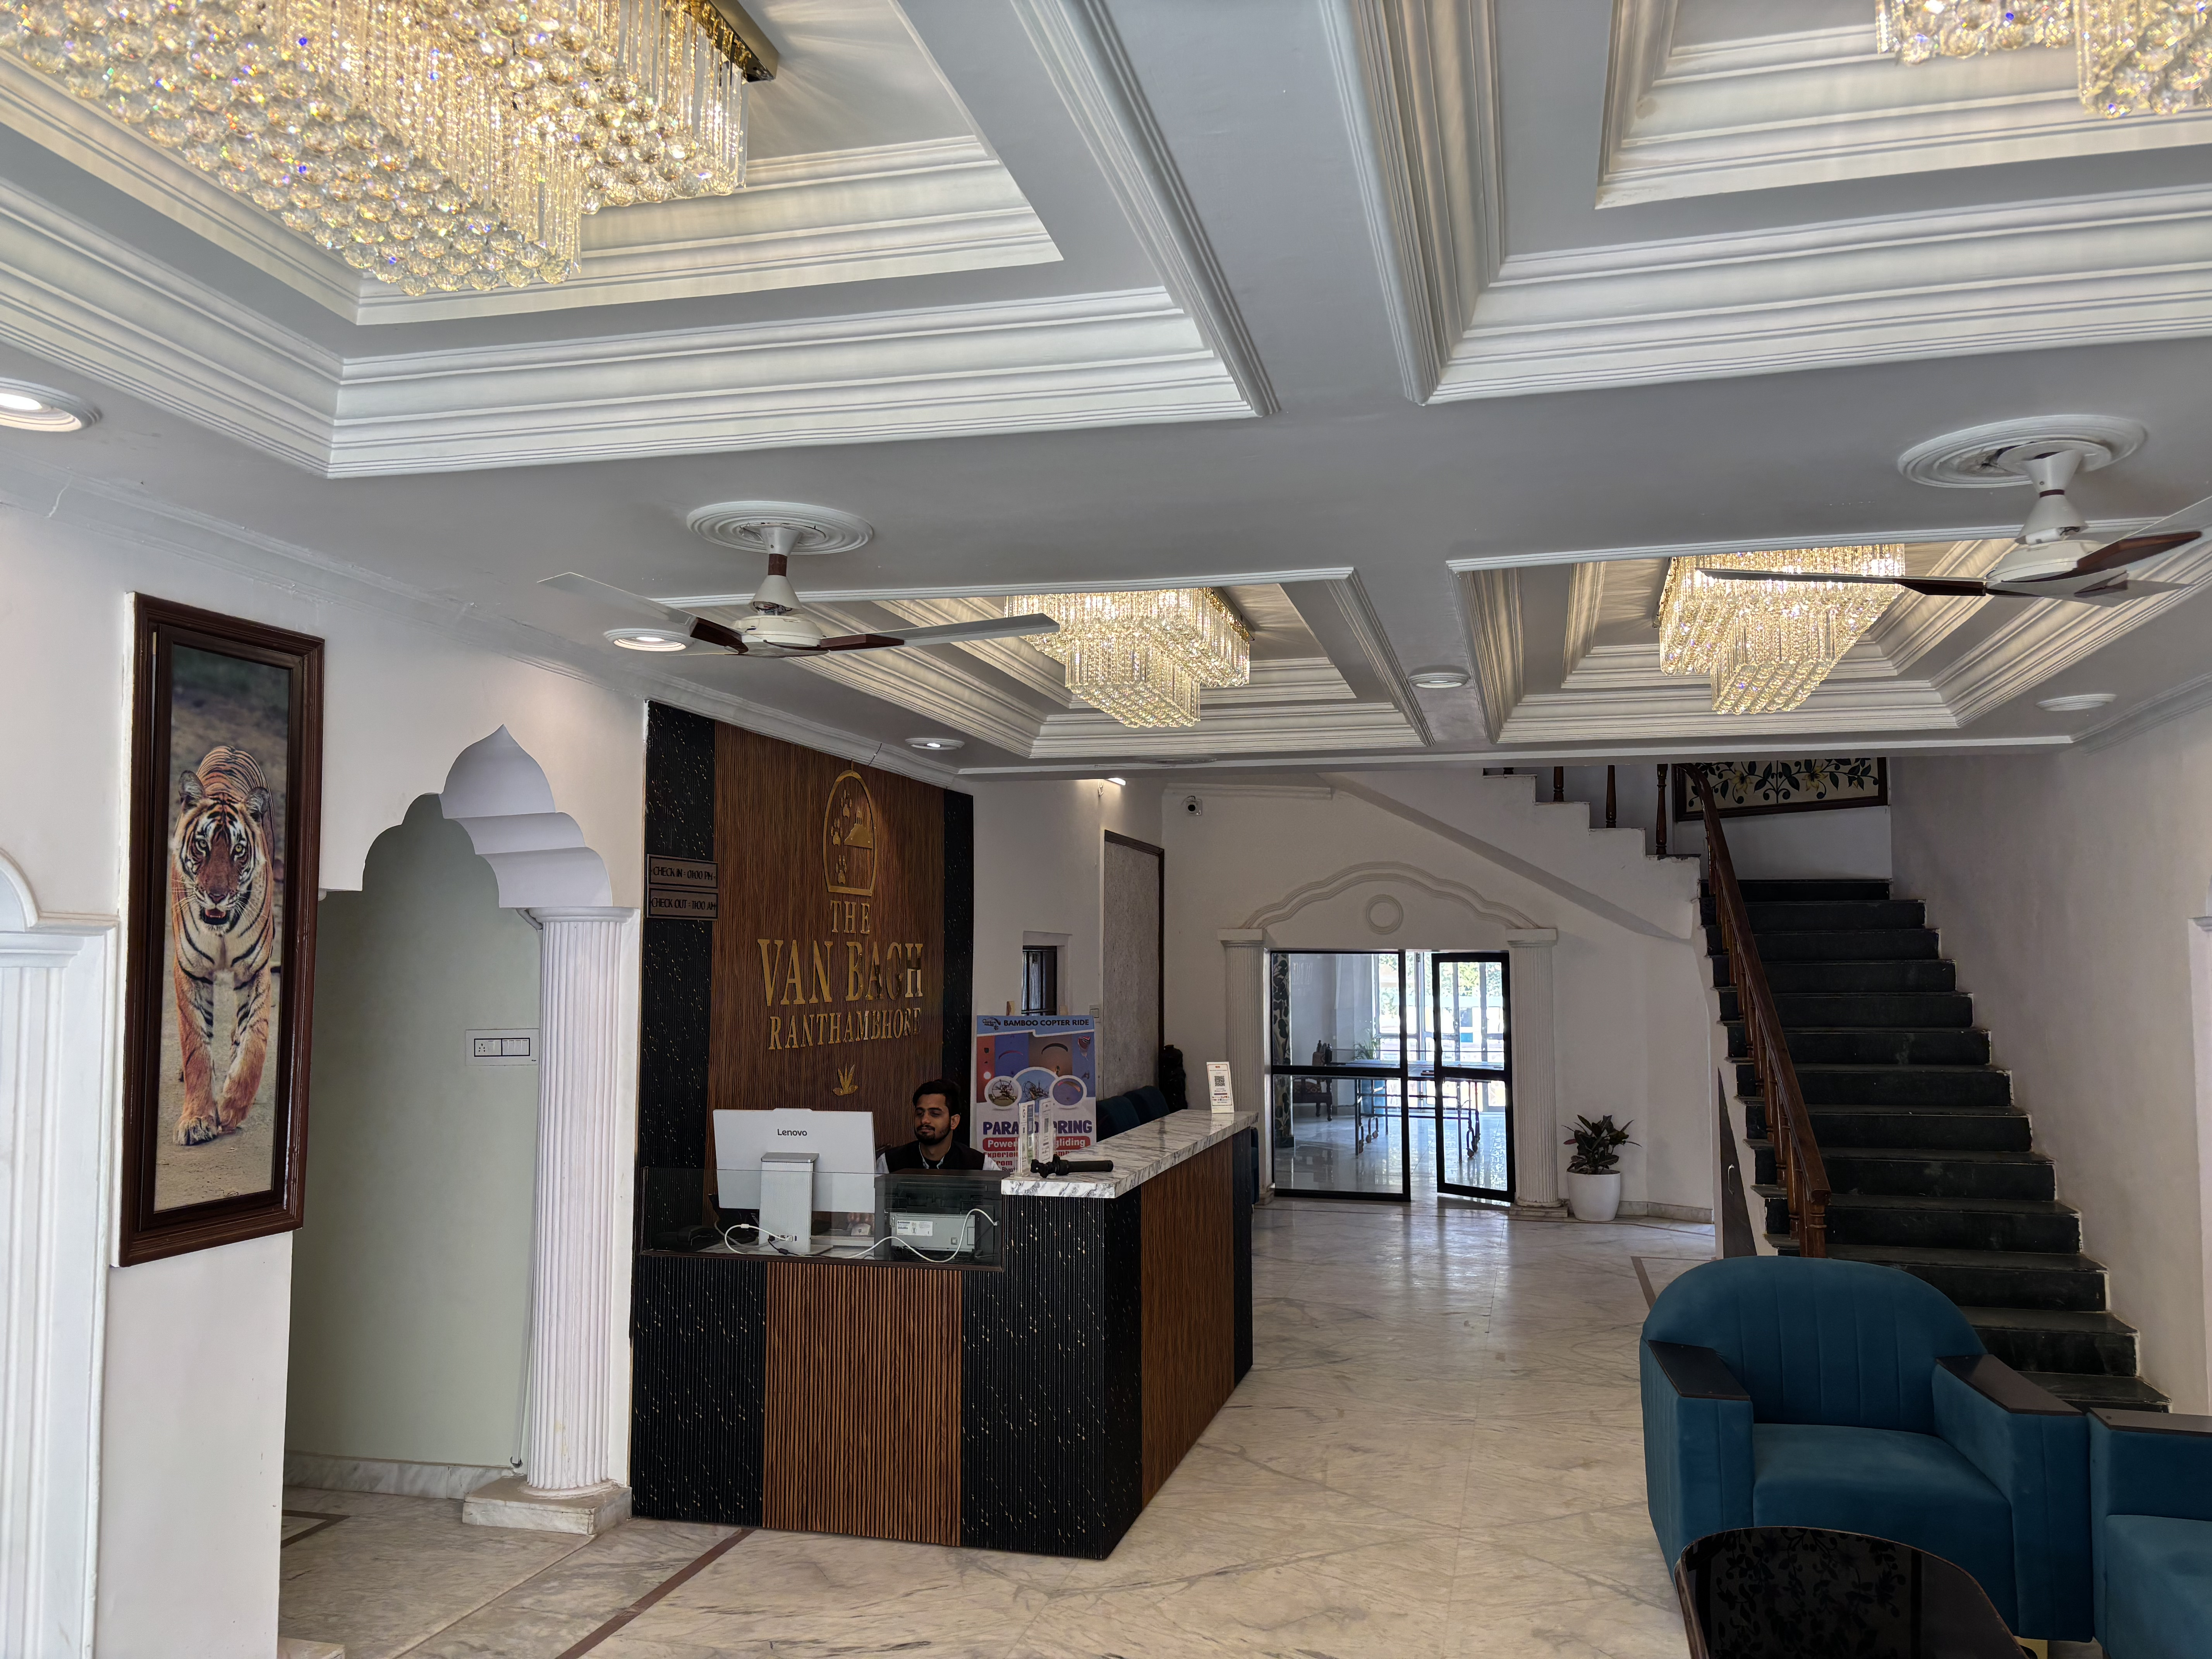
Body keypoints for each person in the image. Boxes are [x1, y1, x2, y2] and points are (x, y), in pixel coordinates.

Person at [881, 1078, 987, 1171]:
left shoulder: (981, 1165)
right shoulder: (889, 1163)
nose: (924, 1120)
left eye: (935, 1114)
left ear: (954, 1121)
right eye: (920, 1113)